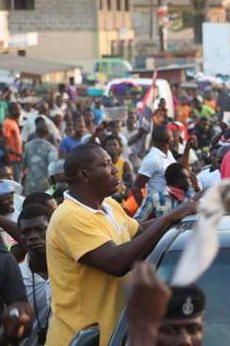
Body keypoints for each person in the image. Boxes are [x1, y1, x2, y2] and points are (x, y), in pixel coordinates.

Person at [45, 143, 196, 345]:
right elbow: (117, 263)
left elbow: (139, 231)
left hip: (111, 336)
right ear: (84, 175)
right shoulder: (69, 217)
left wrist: (187, 209)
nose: (116, 169)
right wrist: (171, 218)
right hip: (78, 339)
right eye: (106, 164)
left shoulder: (109, 205)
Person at [17, 204, 52, 346]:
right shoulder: (16, 276)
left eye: (40, 229)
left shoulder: (72, 269)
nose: (32, 237)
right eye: (26, 232)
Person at [131, 125, 176, 205]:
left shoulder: (169, 153)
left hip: (171, 202)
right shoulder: (152, 159)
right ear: (168, 141)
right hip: (158, 205)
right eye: (172, 137)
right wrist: (146, 208)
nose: (174, 139)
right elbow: (136, 187)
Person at [22, 120, 58, 195]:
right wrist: (54, 187)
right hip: (45, 186)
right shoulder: (51, 148)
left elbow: (23, 165)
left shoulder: (27, 146)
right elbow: (52, 168)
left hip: (30, 184)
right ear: (48, 133)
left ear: (36, 132)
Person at [103, 135, 134, 202]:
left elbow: (129, 184)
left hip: (121, 200)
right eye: (109, 145)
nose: (112, 147)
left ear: (120, 147)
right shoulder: (102, 165)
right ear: (104, 148)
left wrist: (124, 195)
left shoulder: (125, 164)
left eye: (115, 145)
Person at [3, 103, 23, 182]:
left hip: (17, 158)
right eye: (17, 109)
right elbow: (5, 144)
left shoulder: (14, 122)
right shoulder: (7, 123)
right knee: (15, 182)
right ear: (11, 110)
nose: (19, 112)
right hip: (12, 159)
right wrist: (19, 154)